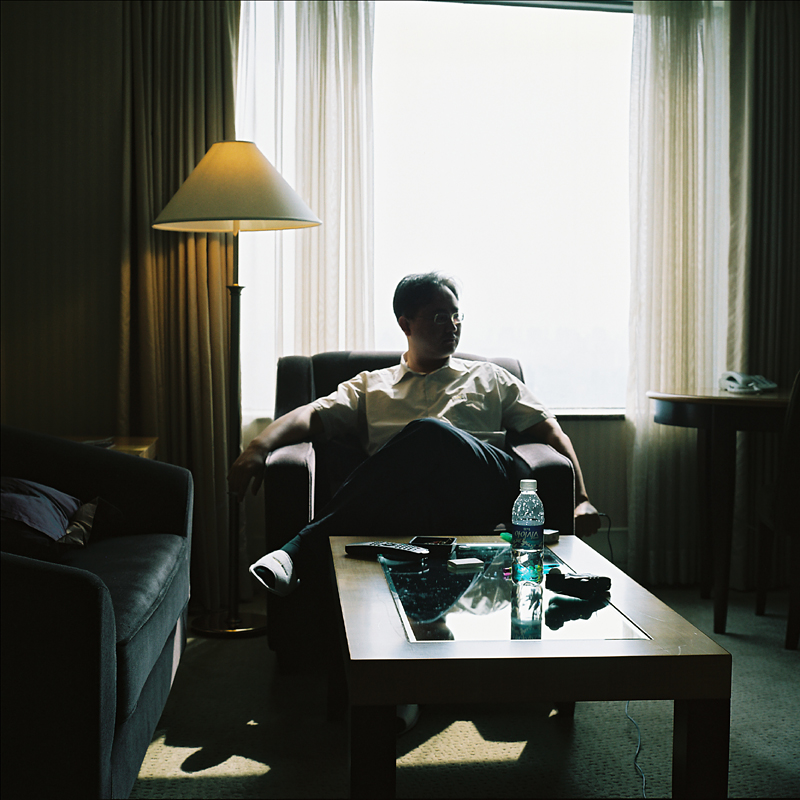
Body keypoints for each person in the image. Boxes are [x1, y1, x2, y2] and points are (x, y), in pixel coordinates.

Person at [228, 272, 600, 597]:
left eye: (456, 315)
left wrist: (580, 499)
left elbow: (550, 431)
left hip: (480, 488)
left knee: (430, 432)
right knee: (416, 479)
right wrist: (259, 446)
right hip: (405, 501)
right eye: (439, 317)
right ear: (406, 324)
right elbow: (311, 415)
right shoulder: (372, 385)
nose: (452, 325)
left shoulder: (489, 376)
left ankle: (296, 551)